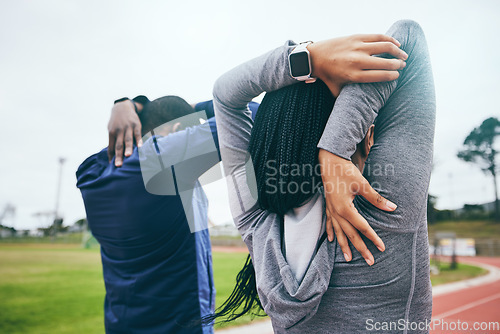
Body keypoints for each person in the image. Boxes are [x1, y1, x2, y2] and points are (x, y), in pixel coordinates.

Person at [211, 19, 435, 333]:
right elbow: (408, 38)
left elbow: (224, 96)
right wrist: (333, 150)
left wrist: (308, 58)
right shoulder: (385, 210)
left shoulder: (257, 223)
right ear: (368, 135)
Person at [77, 96, 246, 333]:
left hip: (120, 325)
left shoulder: (93, 175)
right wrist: (197, 107)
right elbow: (250, 118)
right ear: (176, 131)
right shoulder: (160, 162)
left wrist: (127, 104)